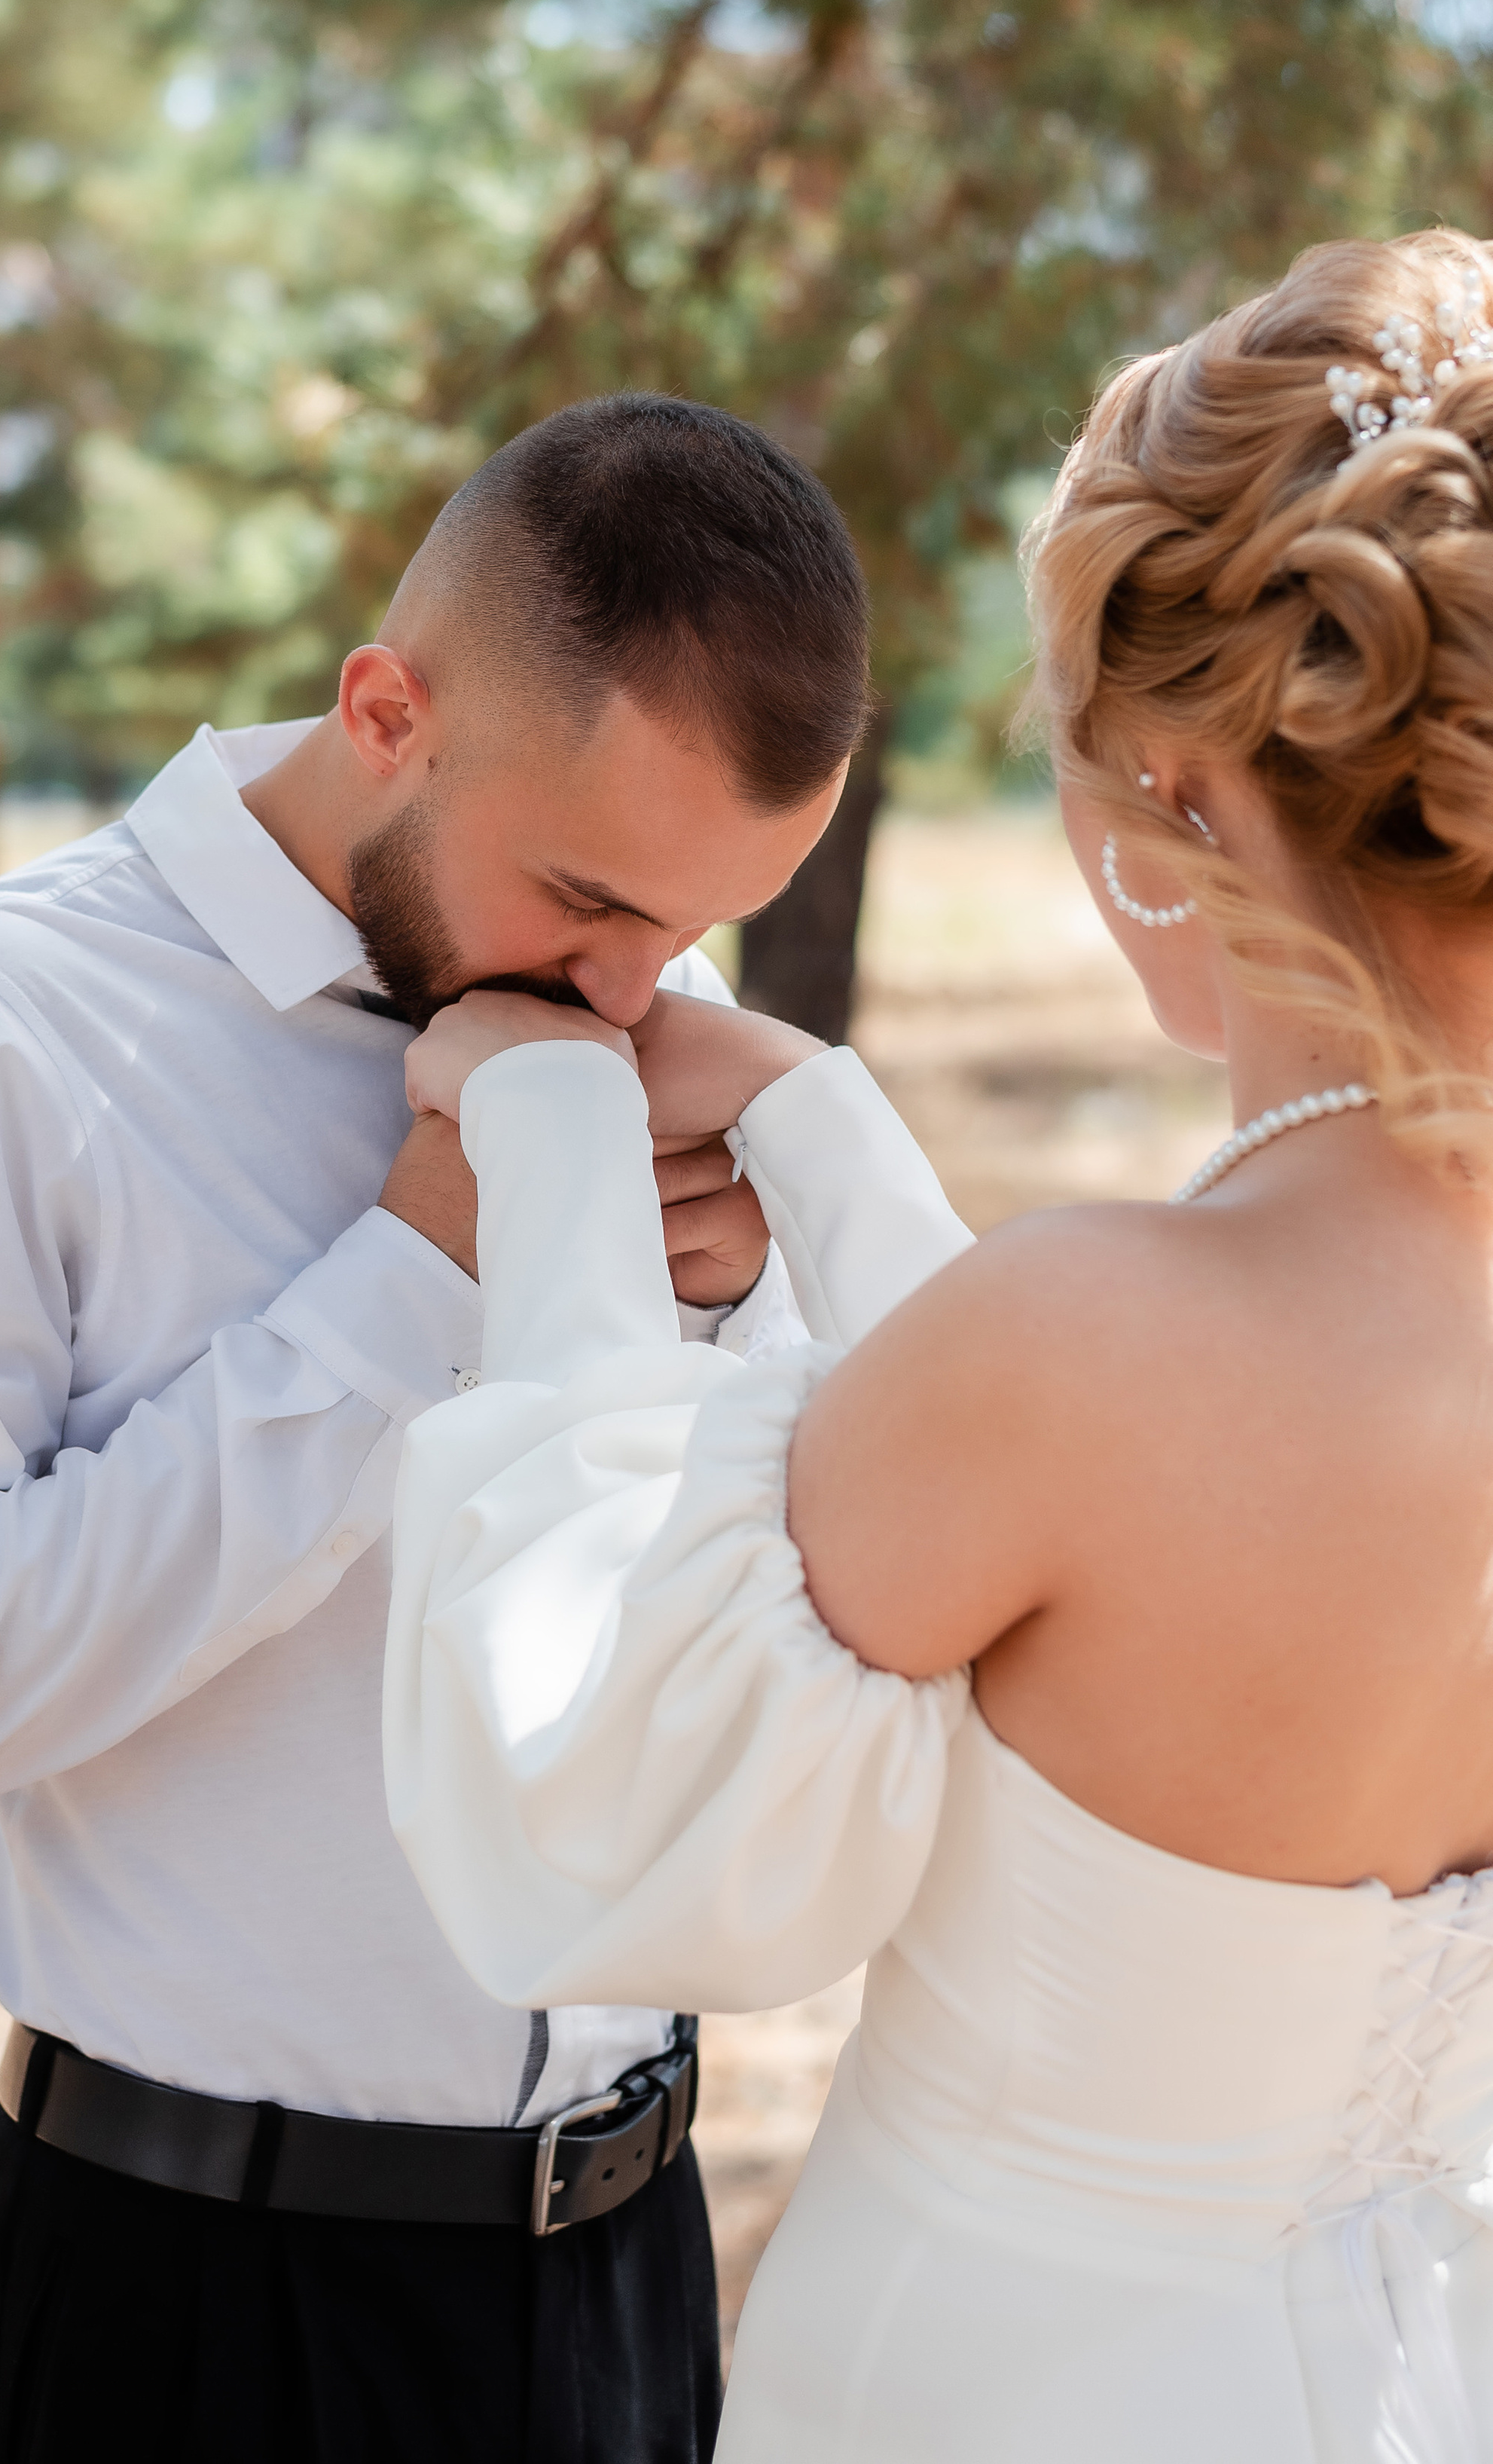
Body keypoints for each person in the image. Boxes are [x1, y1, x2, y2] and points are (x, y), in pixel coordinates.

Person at [0, 393, 956, 2464]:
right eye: (589, 897)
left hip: (632, 2273)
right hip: (194, 2311)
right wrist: (410, 1285)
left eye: (695, 923)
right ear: (386, 707)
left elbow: (731, 1643)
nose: (637, 980)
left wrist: (743, 1316)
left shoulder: (635, 1048)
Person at [385, 231, 1493, 2461]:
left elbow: (598, 1785)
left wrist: (557, 1146)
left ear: (1175, 801)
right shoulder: (1111, 1349)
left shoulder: (1093, 1343)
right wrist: (821, 1121)